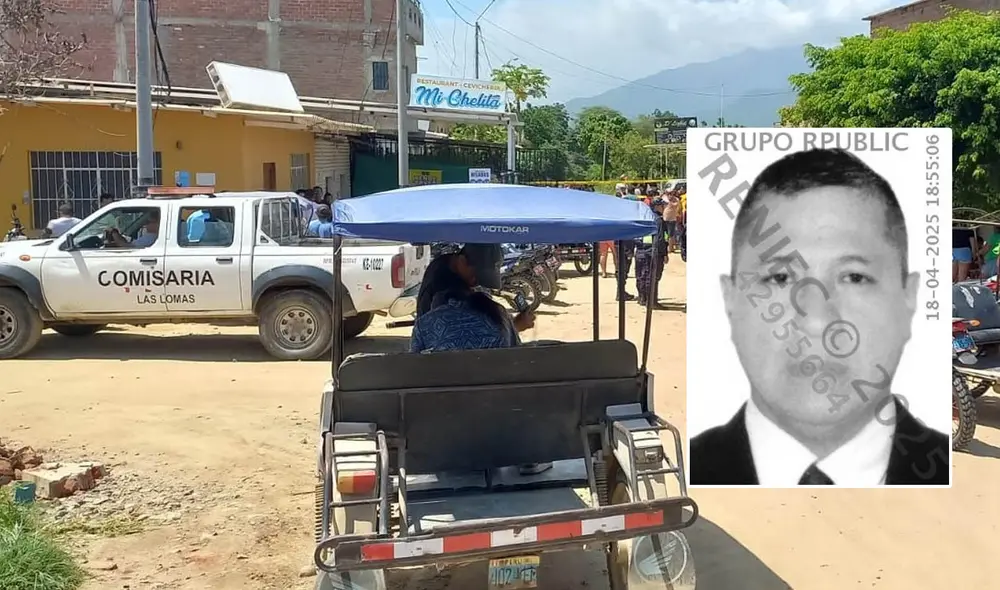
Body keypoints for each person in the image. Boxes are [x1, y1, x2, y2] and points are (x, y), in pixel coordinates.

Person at [690, 148, 948, 487]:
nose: (817, 323)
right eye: (780, 278)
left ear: (908, 297)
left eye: (854, 277)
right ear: (730, 298)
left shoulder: (941, 466)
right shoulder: (693, 467)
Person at [634, 198, 669, 308]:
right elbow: (660, 239)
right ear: (657, 206)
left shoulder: (645, 217)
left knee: (643, 275)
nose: (664, 208)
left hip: (642, 250)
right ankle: (652, 302)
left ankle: (643, 298)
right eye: (663, 205)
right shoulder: (658, 220)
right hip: (654, 252)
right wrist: (664, 253)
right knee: (653, 276)